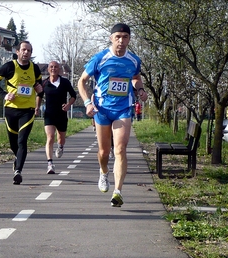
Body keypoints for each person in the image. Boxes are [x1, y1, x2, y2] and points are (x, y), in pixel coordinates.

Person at [78, 23, 148, 207]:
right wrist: (87, 103)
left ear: (129, 39)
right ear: (111, 38)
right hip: (102, 109)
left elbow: (135, 78)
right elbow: (81, 81)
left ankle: (118, 191)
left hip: (123, 109)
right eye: (117, 37)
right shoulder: (100, 58)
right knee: (103, 152)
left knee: (120, 149)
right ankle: (103, 172)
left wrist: (140, 90)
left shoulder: (133, 60)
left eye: (125, 37)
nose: (121, 41)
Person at [0, 41, 43, 185]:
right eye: (24, 50)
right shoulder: (9, 66)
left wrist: (40, 92)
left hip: (27, 110)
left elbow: (39, 87)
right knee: (13, 143)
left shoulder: (35, 68)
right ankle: (17, 160)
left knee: (22, 141)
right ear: (18, 51)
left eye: (29, 51)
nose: (26, 52)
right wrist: (4, 95)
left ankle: (18, 171)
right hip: (11, 109)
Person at [36, 61, 77, 174]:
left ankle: (60, 147)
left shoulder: (64, 82)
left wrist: (68, 105)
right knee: (50, 137)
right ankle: (50, 164)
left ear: (59, 69)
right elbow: (39, 95)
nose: (53, 69)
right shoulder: (44, 83)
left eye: (56, 67)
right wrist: (37, 108)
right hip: (49, 114)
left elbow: (74, 95)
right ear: (48, 69)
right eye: (51, 67)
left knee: (61, 139)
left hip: (61, 114)